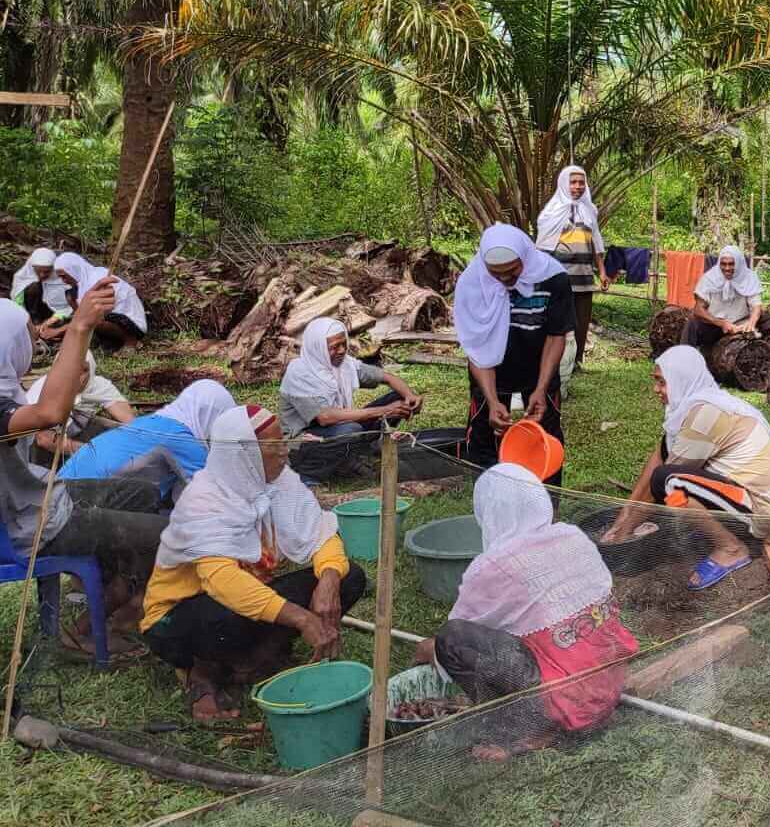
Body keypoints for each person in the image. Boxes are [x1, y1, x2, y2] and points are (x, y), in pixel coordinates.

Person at [141, 406, 367, 722]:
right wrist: (302, 619)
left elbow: (321, 533)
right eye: (273, 447)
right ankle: (204, 670)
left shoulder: (279, 480)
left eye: (282, 442)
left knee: (349, 578)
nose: (284, 453)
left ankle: (253, 660)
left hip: (240, 602)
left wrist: (328, 581)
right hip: (176, 621)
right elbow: (223, 583)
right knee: (226, 616)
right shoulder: (203, 499)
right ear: (244, 455)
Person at [411, 464, 638, 760]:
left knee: (452, 640)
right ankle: (580, 713)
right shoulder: (572, 536)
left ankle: (531, 731)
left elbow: (462, 630)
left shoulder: (493, 566)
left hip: (565, 696)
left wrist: (430, 650)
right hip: (607, 683)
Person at [0, 288, 168, 662]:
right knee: (166, 536)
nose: (33, 342)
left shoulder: (5, 387)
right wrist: (79, 327)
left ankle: (114, 593)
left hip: (41, 498)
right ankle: (91, 627)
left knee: (141, 494)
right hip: (30, 526)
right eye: (26, 335)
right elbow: (48, 415)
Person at [604, 346, 770, 591]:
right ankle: (715, 529)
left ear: (681, 380)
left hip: (758, 509)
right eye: (655, 381)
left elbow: (662, 478)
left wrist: (623, 534)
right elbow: (660, 454)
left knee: (670, 484)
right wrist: (625, 515)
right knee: (667, 469)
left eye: (662, 382)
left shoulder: (706, 416)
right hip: (736, 494)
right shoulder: (697, 403)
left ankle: (731, 547)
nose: (656, 390)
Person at [455, 224, 575, 473]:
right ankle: (489, 505)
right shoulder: (472, 282)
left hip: (538, 366)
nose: (504, 279)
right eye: (495, 274)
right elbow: (476, 346)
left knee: (545, 440)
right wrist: (492, 399)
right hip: (492, 371)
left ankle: (546, 508)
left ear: (526, 256)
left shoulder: (552, 277)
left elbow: (556, 337)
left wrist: (541, 388)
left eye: (512, 271)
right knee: (484, 443)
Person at [278, 317, 423, 484]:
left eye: (343, 344)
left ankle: (354, 454)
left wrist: (410, 396)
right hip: (304, 443)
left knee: (398, 398)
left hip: (337, 428)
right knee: (351, 429)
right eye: (334, 347)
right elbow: (325, 418)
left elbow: (387, 377)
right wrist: (384, 411)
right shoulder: (300, 373)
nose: (341, 350)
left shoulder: (345, 365)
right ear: (317, 348)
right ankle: (312, 471)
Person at [58, 378, 236, 500]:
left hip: (60, 486)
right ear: (211, 416)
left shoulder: (151, 422)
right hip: (83, 498)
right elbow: (215, 493)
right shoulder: (183, 440)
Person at [536, 165, 609, 368]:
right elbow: (542, 246)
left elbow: (596, 242)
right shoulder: (551, 212)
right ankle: (555, 361)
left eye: (581, 182)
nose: (577, 187)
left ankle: (575, 361)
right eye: (573, 182)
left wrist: (602, 271)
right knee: (558, 321)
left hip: (584, 277)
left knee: (581, 322)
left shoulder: (589, 210)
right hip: (560, 278)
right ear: (564, 184)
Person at [24, 349, 136, 457]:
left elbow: (130, 421)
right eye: (70, 369)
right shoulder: (45, 391)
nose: (77, 376)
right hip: (34, 445)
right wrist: (90, 452)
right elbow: (43, 439)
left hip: (76, 433)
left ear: (91, 369)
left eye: (84, 370)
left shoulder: (96, 386)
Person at [53, 252, 148, 350]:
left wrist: (58, 331)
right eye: (60, 277)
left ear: (73, 270)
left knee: (93, 320)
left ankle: (131, 341)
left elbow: (88, 316)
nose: (63, 280)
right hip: (108, 317)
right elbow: (69, 311)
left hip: (129, 322)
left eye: (64, 276)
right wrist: (49, 323)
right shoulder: (80, 285)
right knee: (70, 296)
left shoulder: (97, 278)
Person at [682, 246, 763, 349]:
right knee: (692, 323)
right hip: (715, 325)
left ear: (739, 263)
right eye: (723, 264)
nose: (727, 268)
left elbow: (756, 305)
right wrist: (722, 323)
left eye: (731, 264)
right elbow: (698, 309)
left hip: (741, 324)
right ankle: (683, 357)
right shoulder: (710, 278)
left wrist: (751, 323)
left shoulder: (749, 277)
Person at [12, 246, 70, 330]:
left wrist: (50, 321)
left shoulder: (63, 278)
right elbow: (18, 304)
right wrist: (27, 322)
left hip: (53, 313)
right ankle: (36, 322)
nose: (42, 275)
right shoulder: (23, 277)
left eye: (47, 272)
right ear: (32, 267)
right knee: (33, 287)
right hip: (33, 312)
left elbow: (68, 305)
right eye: (38, 271)